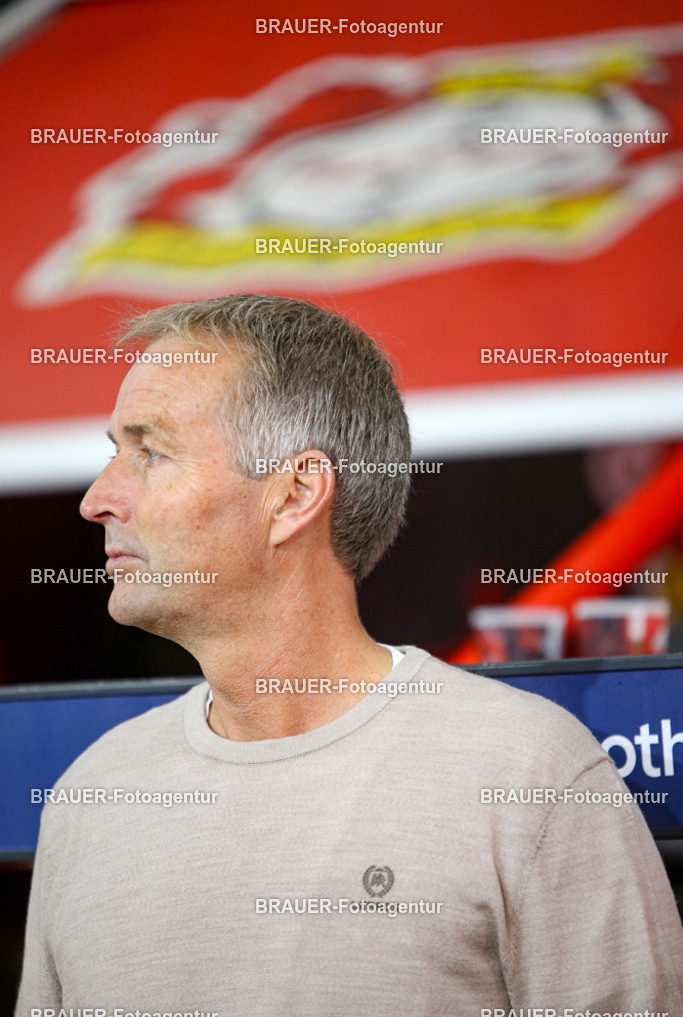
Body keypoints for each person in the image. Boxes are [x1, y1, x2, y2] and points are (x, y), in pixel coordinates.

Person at [16, 295, 683, 1015]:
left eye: (150, 451)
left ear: (296, 493)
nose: (96, 499)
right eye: (111, 452)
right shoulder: (91, 794)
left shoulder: (532, 772)